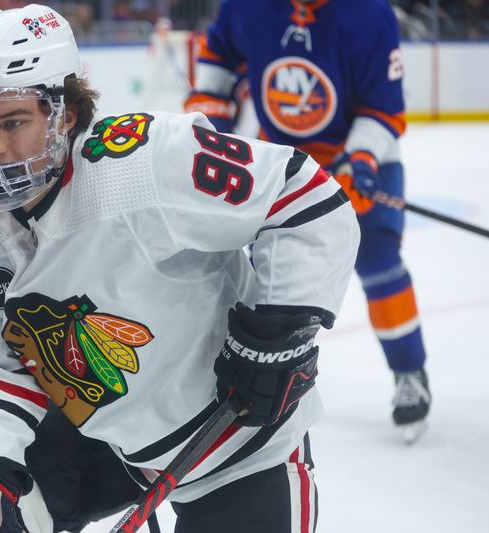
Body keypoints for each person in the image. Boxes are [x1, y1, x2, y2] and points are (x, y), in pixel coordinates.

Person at [0, 4, 358, 532]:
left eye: (13, 122)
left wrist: (278, 328)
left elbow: (302, 195)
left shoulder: (141, 163)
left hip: (240, 436)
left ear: (66, 115)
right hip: (112, 441)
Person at [185, 0, 432, 443]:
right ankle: (251, 385)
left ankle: (410, 371)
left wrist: (360, 159)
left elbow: (383, 108)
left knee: (380, 264)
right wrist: (210, 126)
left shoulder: (370, 14)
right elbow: (218, 59)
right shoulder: (245, 7)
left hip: (357, 165)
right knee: (265, 278)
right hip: (282, 165)